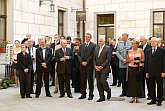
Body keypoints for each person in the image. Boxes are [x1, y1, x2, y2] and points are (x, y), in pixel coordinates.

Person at [145, 37, 165, 106]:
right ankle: (153, 99)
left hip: (159, 71)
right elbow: (146, 62)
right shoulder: (148, 51)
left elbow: (164, 62)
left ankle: (159, 100)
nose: (152, 43)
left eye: (154, 41)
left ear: (157, 42)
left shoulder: (162, 50)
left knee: (159, 86)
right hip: (150, 71)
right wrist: (147, 72)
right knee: (151, 86)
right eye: (151, 42)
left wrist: (163, 72)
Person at [78, 33, 96, 100]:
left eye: (88, 37)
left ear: (90, 38)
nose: (86, 38)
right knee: (82, 80)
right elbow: (78, 54)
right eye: (85, 36)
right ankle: (83, 93)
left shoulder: (93, 45)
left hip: (89, 65)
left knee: (90, 80)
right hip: (82, 65)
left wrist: (87, 62)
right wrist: (82, 62)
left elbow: (93, 55)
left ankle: (91, 94)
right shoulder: (81, 45)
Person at [93, 37, 112, 102]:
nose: (99, 42)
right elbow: (94, 59)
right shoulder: (96, 49)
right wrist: (95, 66)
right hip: (97, 68)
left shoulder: (108, 48)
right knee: (98, 83)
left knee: (103, 81)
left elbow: (108, 59)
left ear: (104, 42)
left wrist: (101, 66)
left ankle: (108, 90)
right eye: (99, 41)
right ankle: (101, 96)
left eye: (101, 41)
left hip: (104, 68)